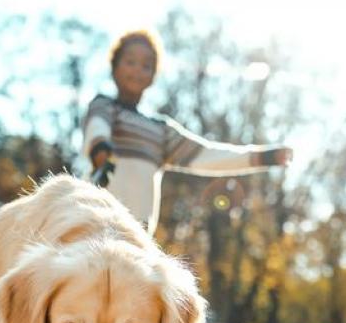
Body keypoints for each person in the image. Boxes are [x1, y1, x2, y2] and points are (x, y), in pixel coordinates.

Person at [82, 30, 293, 234]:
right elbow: (98, 128)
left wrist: (263, 156)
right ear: (114, 67)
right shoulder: (104, 106)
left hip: (137, 233)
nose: (137, 70)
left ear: (153, 75)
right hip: (95, 222)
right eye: (130, 62)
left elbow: (207, 155)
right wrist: (100, 148)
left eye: (146, 65)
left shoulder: (160, 130)